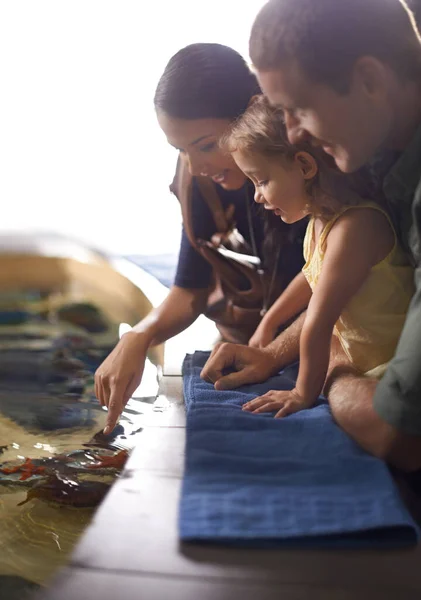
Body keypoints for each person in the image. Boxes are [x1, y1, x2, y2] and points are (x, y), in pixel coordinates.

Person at [201, 0, 421, 471]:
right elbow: (321, 279)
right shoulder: (376, 159)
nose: (294, 134)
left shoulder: (364, 210)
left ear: (370, 80)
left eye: (298, 109)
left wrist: (331, 373)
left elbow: (398, 434)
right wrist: (272, 348)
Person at [95, 43, 306, 435]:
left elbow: (336, 283)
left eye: (206, 145)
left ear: (253, 111)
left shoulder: (304, 170)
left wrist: (275, 352)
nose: (196, 167)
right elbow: (190, 288)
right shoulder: (200, 178)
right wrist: (139, 337)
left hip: (312, 342)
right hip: (245, 345)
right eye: (181, 150)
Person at [220, 95, 413, 418]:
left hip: (387, 370)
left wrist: (301, 393)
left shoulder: (356, 227)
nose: (257, 196)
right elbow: (311, 277)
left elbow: (318, 323)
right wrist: (270, 321)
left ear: (305, 166)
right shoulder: (320, 220)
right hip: (360, 361)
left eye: (262, 180)